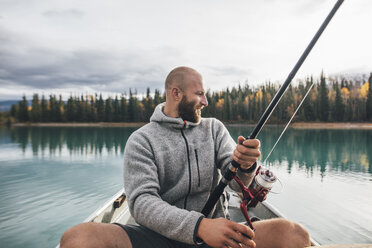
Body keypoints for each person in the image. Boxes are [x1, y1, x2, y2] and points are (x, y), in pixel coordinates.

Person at [60, 66, 311, 248]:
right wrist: (199, 227)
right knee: (78, 239)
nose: (206, 101)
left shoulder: (213, 129)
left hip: (219, 234)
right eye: (199, 94)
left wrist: (246, 164)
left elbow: (236, 182)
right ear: (176, 93)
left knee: (293, 235)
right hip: (159, 238)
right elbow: (142, 202)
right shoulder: (142, 140)